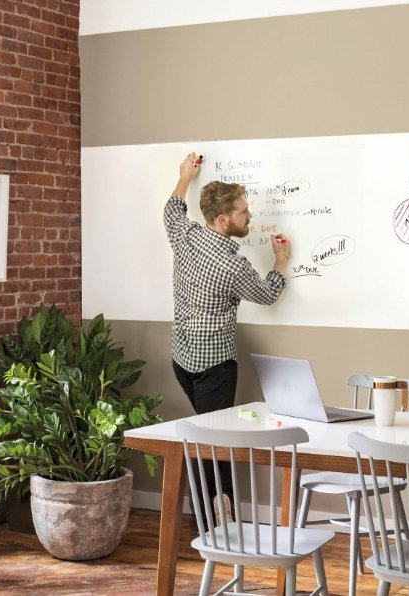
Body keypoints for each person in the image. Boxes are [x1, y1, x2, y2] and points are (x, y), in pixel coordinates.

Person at [164, 152, 291, 528]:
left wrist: (184, 177)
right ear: (223, 221)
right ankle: (220, 515)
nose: (249, 216)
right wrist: (281, 260)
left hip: (181, 358)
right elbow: (268, 295)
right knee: (216, 443)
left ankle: (209, 509)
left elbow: (171, 210)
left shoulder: (184, 237)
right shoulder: (233, 265)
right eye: (243, 212)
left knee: (206, 438)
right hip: (214, 366)